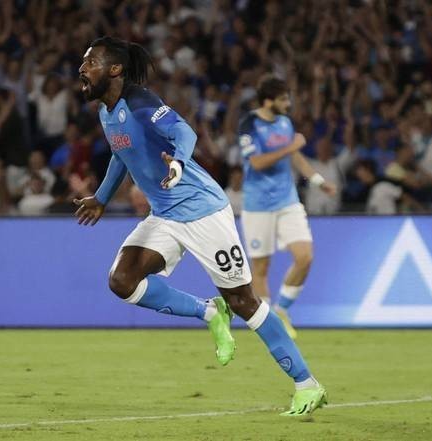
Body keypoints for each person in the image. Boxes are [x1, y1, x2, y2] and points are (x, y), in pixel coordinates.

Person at [74, 36, 327, 416]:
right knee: (122, 280)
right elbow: (120, 154)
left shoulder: (140, 102)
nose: (82, 68)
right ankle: (208, 312)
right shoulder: (107, 113)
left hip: (202, 210)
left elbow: (185, 133)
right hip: (165, 214)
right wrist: (102, 197)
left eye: (90, 61)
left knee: (243, 301)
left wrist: (176, 163)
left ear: (115, 69)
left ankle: (307, 385)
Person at [239, 75, 337, 339]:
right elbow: (257, 163)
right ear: (268, 101)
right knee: (261, 269)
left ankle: (282, 308)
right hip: (258, 205)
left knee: (305, 257)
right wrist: (290, 147)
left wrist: (318, 181)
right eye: (283, 99)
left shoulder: (284, 123)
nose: (288, 103)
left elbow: (294, 155)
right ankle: (270, 323)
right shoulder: (249, 124)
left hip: (287, 202)